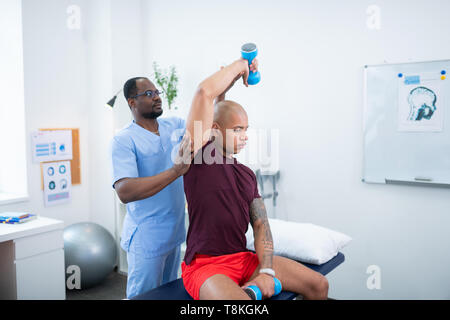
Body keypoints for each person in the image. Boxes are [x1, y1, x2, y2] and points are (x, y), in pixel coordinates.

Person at [181, 58, 329, 300]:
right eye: (238, 129)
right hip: (207, 267)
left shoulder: (246, 174)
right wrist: (241, 65)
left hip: (243, 258)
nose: (245, 137)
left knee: (319, 285)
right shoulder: (199, 157)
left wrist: (268, 271)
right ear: (215, 130)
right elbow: (204, 93)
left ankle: (256, 288)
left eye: (247, 129)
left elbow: (261, 224)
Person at [110, 76, 191, 299]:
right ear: (131, 102)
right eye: (148, 94)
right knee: (143, 297)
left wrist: (221, 90)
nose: (156, 97)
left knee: (168, 294)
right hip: (147, 237)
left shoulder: (173, 125)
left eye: (157, 92)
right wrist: (175, 171)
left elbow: (205, 122)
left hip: (173, 232)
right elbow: (125, 191)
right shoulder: (124, 140)